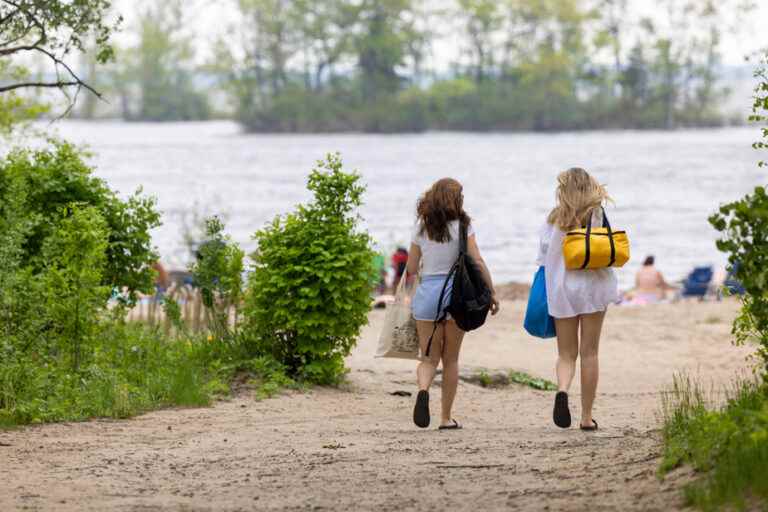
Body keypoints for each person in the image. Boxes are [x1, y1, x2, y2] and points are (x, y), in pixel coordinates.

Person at [406, 178, 499, 430]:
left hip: (427, 298)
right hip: (456, 297)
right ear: (455, 199)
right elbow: (477, 261)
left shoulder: (421, 227)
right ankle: (446, 418)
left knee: (427, 359)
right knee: (451, 360)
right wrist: (490, 292)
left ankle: (423, 390)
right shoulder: (463, 226)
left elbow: (411, 268)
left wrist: (407, 294)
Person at [537, 168, 619, 431]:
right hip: (593, 288)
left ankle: (562, 390)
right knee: (590, 352)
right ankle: (586, 417)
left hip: (562, 290)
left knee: (566, 354)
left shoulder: (553, 218)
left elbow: (542, 256)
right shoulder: (597, 213)